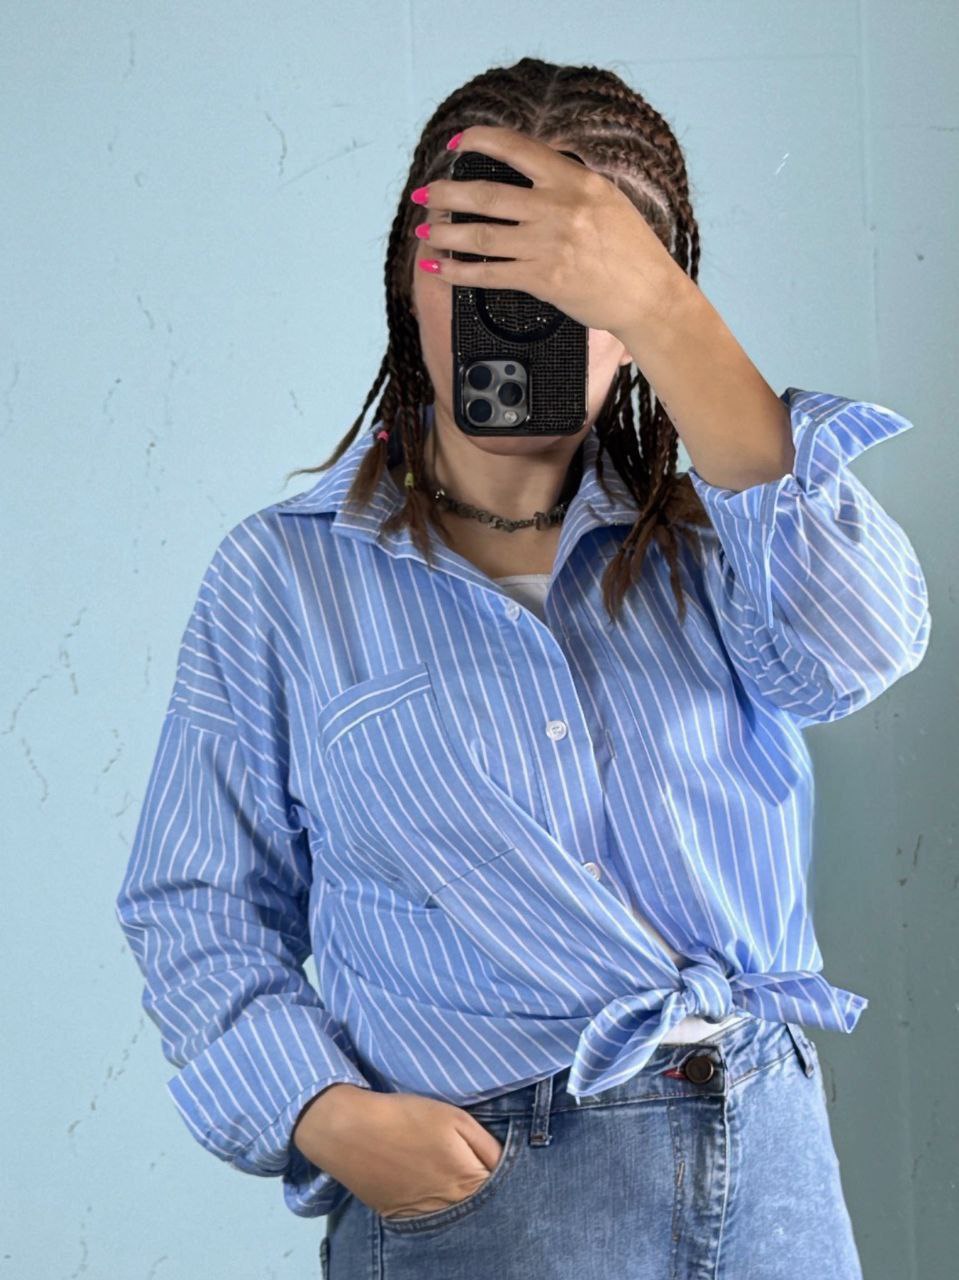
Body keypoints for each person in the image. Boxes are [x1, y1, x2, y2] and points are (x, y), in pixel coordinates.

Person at [115, 58, 931, 1279]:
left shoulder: (725, 543)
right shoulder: (284, 578)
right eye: (480, 262)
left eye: (571, 278)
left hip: (767, 1167)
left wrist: (667, 316)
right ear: (410, 278)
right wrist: (321, 1111)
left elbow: (855, 652)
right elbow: (195, 899)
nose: (523, 313)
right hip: (489, 1197)